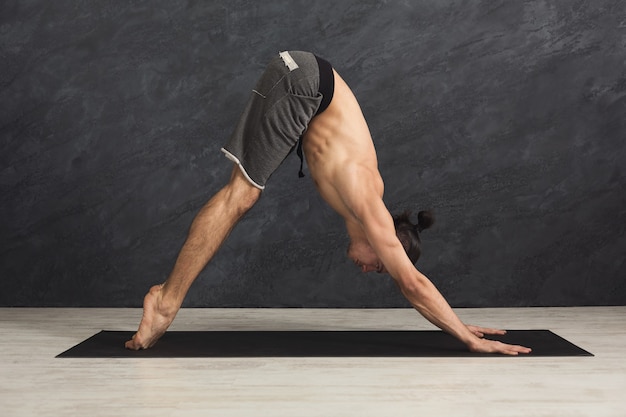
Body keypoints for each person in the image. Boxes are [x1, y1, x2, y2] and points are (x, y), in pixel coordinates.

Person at [125, 51, 531, 355]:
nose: (369, 269)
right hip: (304, 81)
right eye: (379, 265)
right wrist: (464, 337)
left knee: (243, 194)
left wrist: (456, 323)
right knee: (242, 196)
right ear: (384, 238)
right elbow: (411, 283)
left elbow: (407, 281)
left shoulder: (361, 203)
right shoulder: (367, 200)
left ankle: (166, 299)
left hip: (305, 79)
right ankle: (164, 301)